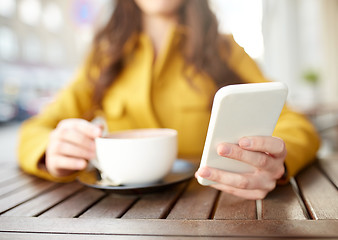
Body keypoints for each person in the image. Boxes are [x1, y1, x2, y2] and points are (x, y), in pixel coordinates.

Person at [18, 0, 320, 200]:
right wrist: (50, 149)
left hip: (218, 211)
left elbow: (296, 124)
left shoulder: (226, 49)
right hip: (118, 220)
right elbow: (36, 129)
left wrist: (276, 162)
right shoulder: (105, 58)